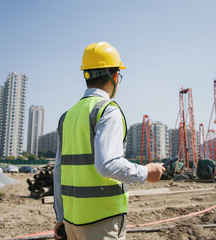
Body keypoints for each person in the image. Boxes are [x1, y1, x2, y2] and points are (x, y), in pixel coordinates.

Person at [53, 42, 165, 240]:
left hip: (71, 223)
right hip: (101, 222)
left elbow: (59, 171)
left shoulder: (67, 116)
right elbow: (107, 165)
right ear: (115, 77)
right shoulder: (107, 110)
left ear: (85, 75)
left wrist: (61, 216)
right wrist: (147, 172)